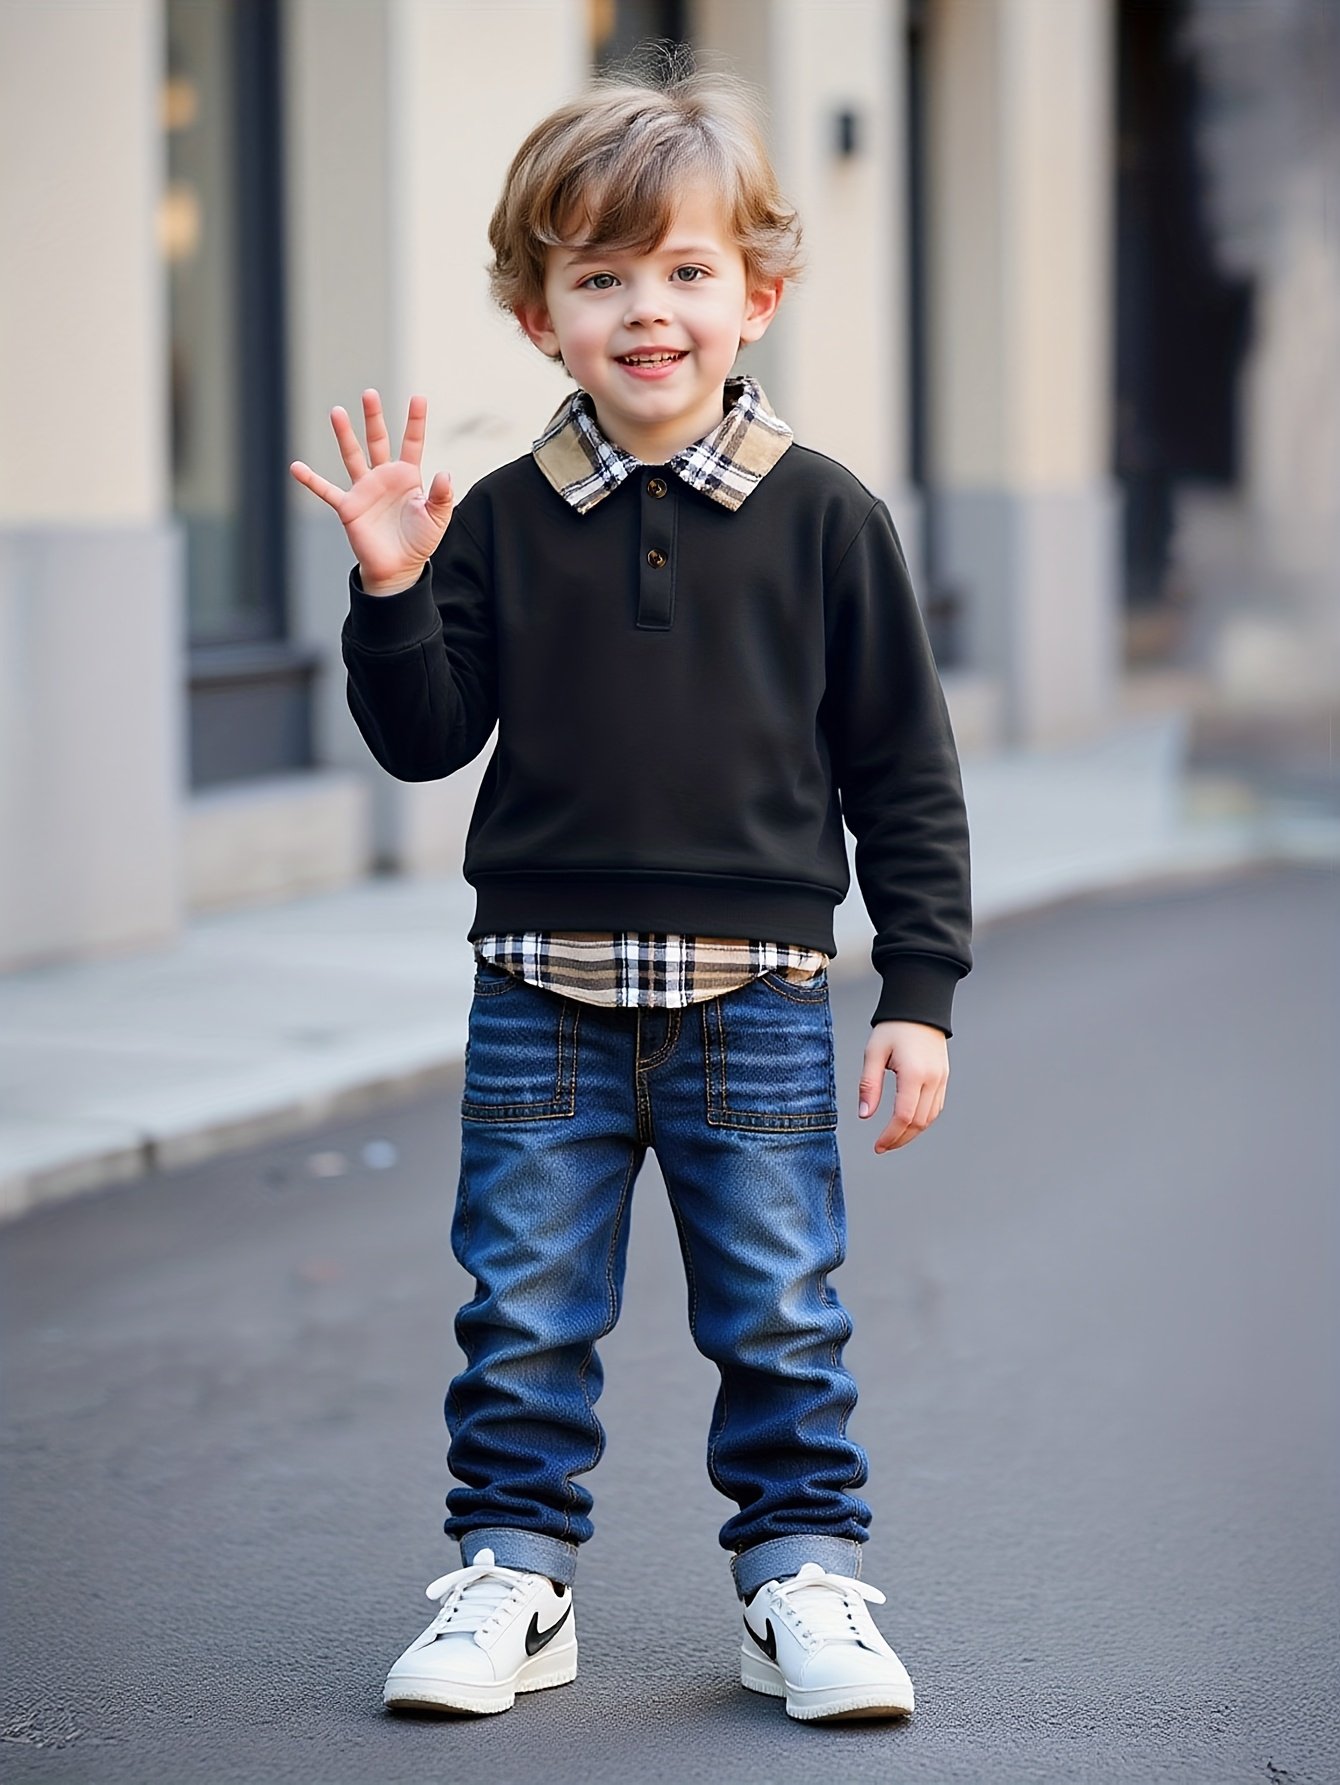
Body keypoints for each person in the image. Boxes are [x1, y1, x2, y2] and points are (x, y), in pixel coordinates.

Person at [290, 60, 972, 1726]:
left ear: (758, 297)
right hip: (542, 991)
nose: (647, 309)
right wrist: (392, 585)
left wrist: (921, 992)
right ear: (542, 318)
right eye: (600, 277)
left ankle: (799, 1580)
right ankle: (513, 1575)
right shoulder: (502, 518)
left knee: (782, 1313)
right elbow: (424, 738)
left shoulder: (828, 517)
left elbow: (903, 766)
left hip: (762, 997)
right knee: (522, 1313)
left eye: (686, 270)